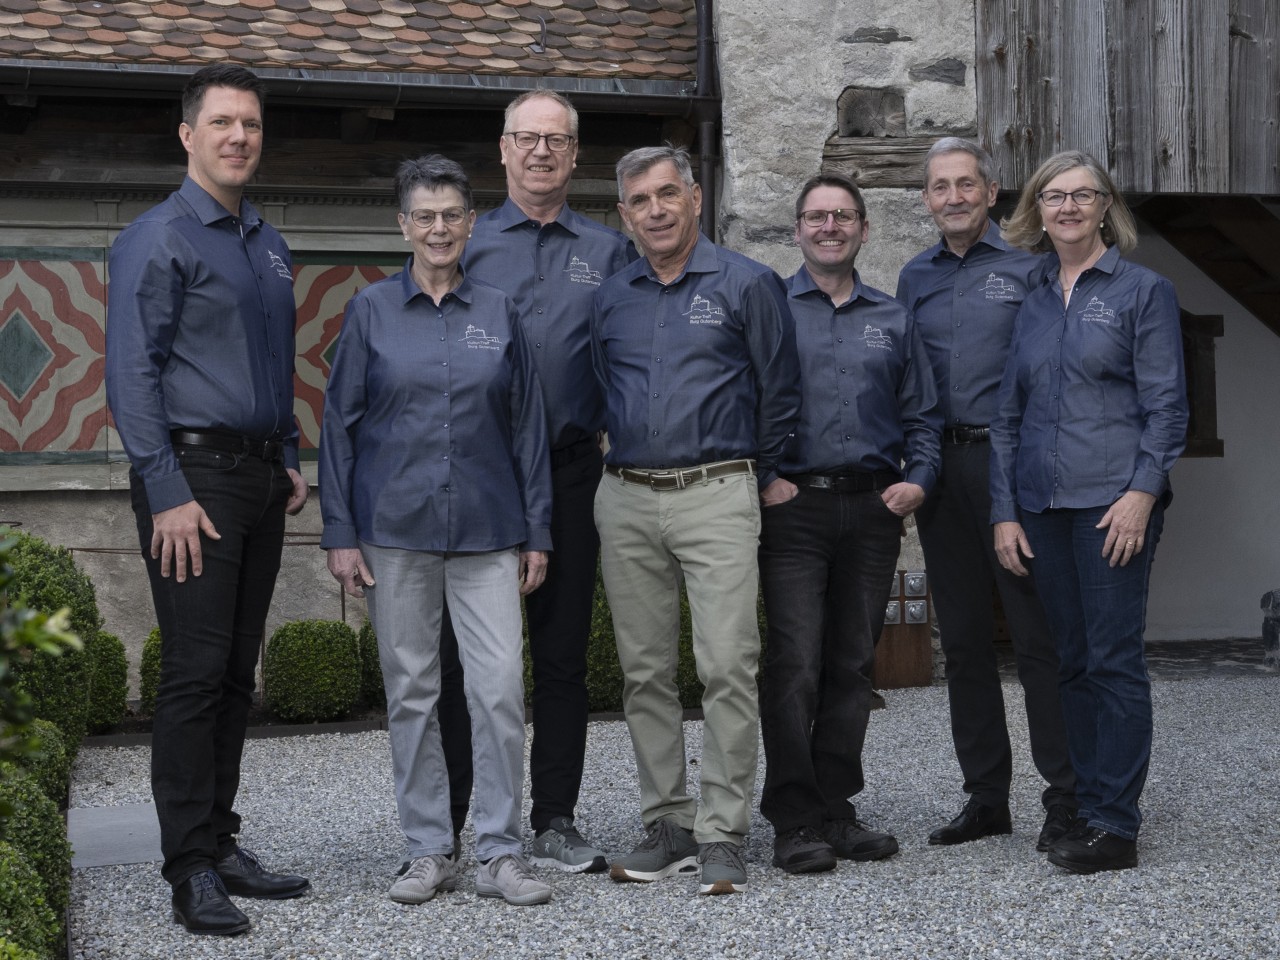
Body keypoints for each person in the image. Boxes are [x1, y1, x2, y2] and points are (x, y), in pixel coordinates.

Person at [105, 64, 311, 936]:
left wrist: (289, 454)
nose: (239, 137)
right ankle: (189, 866)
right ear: (188, 135)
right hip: (192, 481)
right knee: (193, 674)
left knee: (234, 672)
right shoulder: (158, 238)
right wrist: (165, 492)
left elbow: (275, 363)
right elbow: (131, 374)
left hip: (259, 478)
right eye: (222, 122)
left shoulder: (268, 242)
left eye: (251, 124)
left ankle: (221, 842)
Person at [319, 155, 555, 906]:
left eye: (452, 214)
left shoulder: (500, 312)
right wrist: (339, 532)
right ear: (404, 226)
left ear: (471, 223)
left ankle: (500, 854)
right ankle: (427, 849)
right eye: (425, 216)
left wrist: (539, 530)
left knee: (499, 690)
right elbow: (338, 427)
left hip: (489, 531)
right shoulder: (369, 312)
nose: (439, 228)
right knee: (413, 692)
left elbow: (529, 429)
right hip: (395, 531)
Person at [591, 145, 802, 896]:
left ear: (694, 197)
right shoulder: (611, 298)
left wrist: (761, 474)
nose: (655, 210)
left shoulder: (748, 283)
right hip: (626, 495)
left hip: (716, 490)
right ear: (624, 215)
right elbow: (601, 391)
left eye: (666, 194)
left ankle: (722, 833)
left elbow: (781, 390)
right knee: (644, 672)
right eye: (639, 201)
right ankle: (669, 824)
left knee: (726, 665)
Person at [434, 90, 635, 872]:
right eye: (527, 138)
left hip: (573, 468)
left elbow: (630, 353)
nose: (542, 151)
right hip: (481, 473)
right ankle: (453, 823)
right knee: (463, 659)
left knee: (560, 655)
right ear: (504, 149)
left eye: (556, 140)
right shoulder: (468, 241)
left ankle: (554, 817)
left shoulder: (609, 250)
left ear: (575, 155)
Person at [991, 150, 1188, 873]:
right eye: (1053, 196)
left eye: (1082, 195)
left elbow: (1168, 408)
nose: (1067, 207)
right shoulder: (1034, 297)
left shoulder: (1144, 291)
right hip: (1041, 505)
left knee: (1112, 661)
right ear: (1037, 211)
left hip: (1112, 506)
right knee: (1069, 662)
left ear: (1106, 206)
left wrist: (1141, 494)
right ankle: (1080, 804)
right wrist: (1004, 511)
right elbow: (1007, 416)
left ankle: (1114, 825)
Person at [896, 138, 1078, 851]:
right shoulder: (913, 277)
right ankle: (985, 798)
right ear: (926, 199)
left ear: (991, 192)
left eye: (965, 184)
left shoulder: (1032, 269)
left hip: (1014, 468)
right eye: (940, 187)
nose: (954, 197)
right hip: (942, 470)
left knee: (1037, 639)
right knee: (965, 641)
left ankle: (1066, 795)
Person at [760, 173, 941, 874]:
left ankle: (836, 808)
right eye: (816, 216)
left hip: (871, 511)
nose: (829, 226)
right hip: (793, 510)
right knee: (794, 663)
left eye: (842, 216)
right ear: (797, 230)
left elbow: (922, 414)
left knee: (852, 663)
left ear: (864, 229)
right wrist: (763, 476)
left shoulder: (893, 318)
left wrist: (918, 480)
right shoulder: (770, 309)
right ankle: (794, 818)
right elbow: (739, 400)